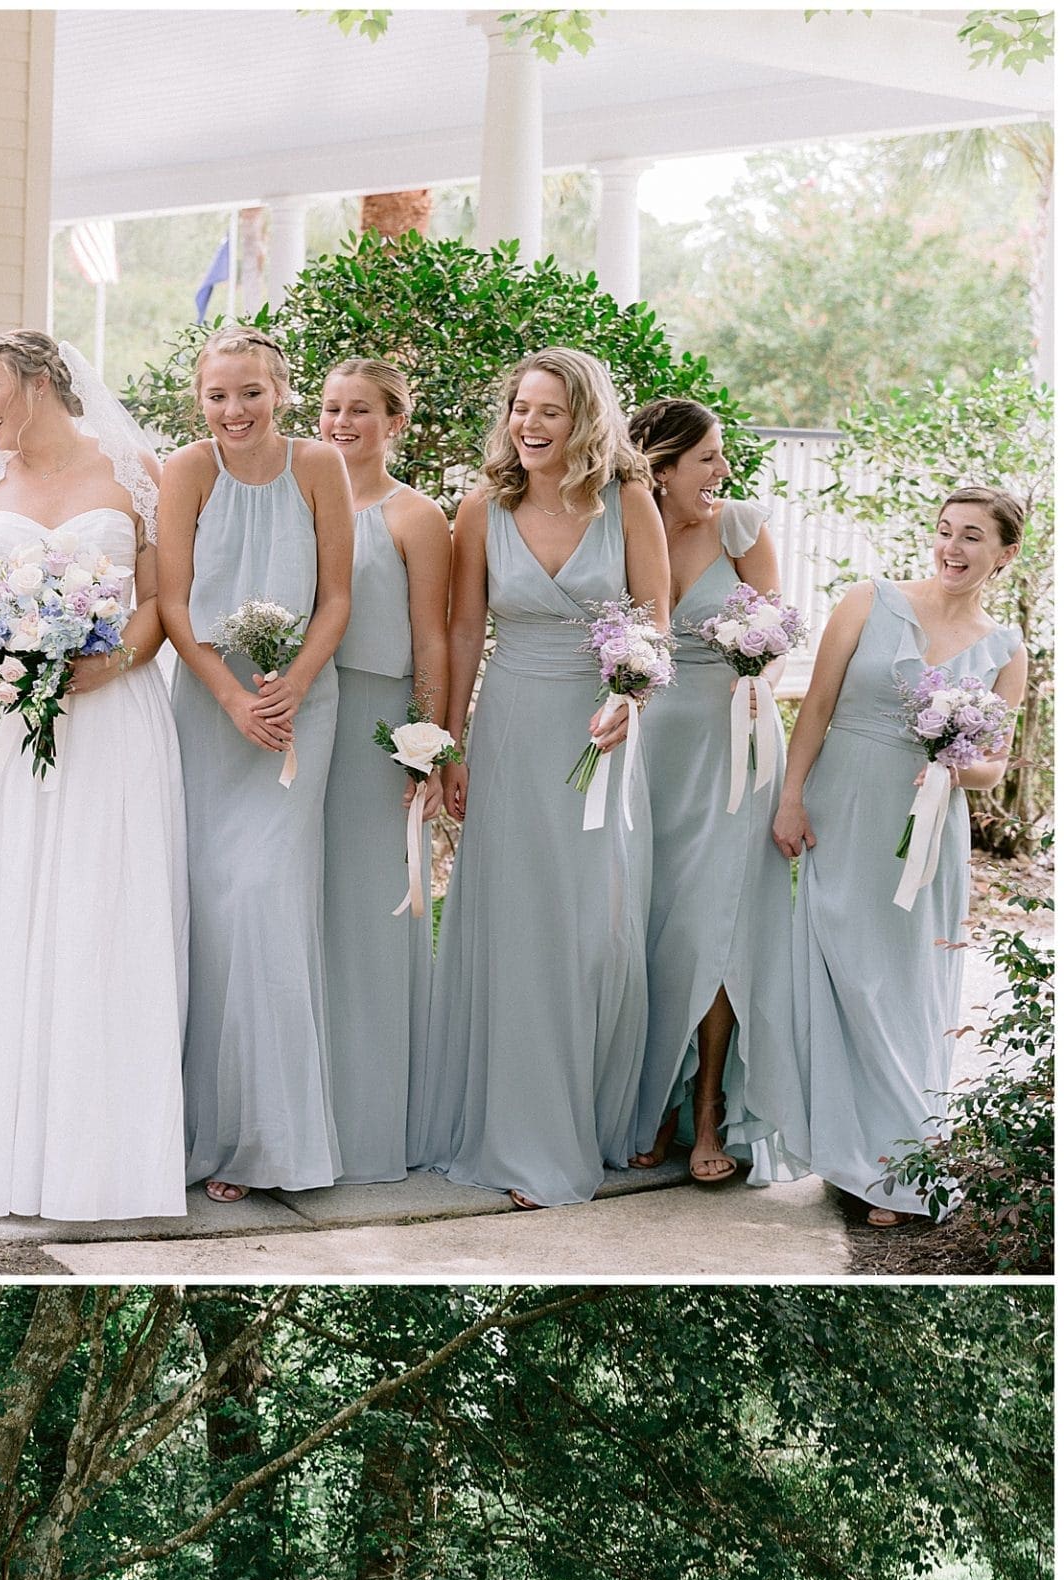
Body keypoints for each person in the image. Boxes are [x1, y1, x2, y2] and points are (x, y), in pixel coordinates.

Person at [0, 330, 188, 1222]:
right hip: (2, 715)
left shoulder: (135, 469)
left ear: (38, 383)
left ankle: (101, 1148)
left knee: (99, 903)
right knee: (7, 900)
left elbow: (161, 600)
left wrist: (110, 662)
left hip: (112, 716)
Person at [419, 348, 670, 1211]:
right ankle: (522, 1139)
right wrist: (449, 742)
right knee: (516, 930)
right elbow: (458, 635)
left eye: (550, 412)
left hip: (602, 734)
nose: (530, 425)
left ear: (585, 420)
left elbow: (655, 625)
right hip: (515, 727)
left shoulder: (629, 503)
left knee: (589, 935)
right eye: (521, 408)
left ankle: (588, 1120)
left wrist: (628, 699)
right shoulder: (481, 506)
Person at [779, 489, 1027, 1224]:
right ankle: (843, 1152)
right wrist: (791, 796)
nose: (953, 547)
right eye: (946, 531)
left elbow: (992, 767)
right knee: (839, 974)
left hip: (926, 833)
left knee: (904, 988)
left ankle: (895, 1167)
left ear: (1004, 555)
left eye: (973, 537)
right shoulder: (869, 600)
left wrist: (953, 761)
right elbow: (816, 706)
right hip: (840, 808)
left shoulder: (1006, 650)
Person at [161, 326, 354, 1203]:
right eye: (217, 395)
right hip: (210, 705)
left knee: (262, 903)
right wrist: (233, 697)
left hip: (299, 705)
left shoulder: (319, 467)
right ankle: (209, 1132)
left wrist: (291, 688)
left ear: (281, 391)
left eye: (250, 392)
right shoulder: (186, 471)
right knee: (208, 908)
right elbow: (169, 601)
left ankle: (271, 1142)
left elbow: (340, 595)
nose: (233, 410)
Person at [624, 397, 807, 1186]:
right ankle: (645, 1103)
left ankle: (706, 1112)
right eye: (706, 458)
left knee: (717, 929)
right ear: (660, 469)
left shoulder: (742, 528)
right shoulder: (623, 524)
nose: (722, 471)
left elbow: (774, 645)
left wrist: (752, 666)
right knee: (650, 924)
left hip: (735, 747)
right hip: (648, 746)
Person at [315, 360, 452, 1182]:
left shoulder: (416, 515)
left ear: (394, 421)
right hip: (305, 716)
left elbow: (433, 638)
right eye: (330, 408)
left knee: (369, 919)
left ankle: (366, 1125)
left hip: (376, 731)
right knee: (305, 914)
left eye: (359, 410)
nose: (339, 423)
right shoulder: (304, 496)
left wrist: (427, 743)